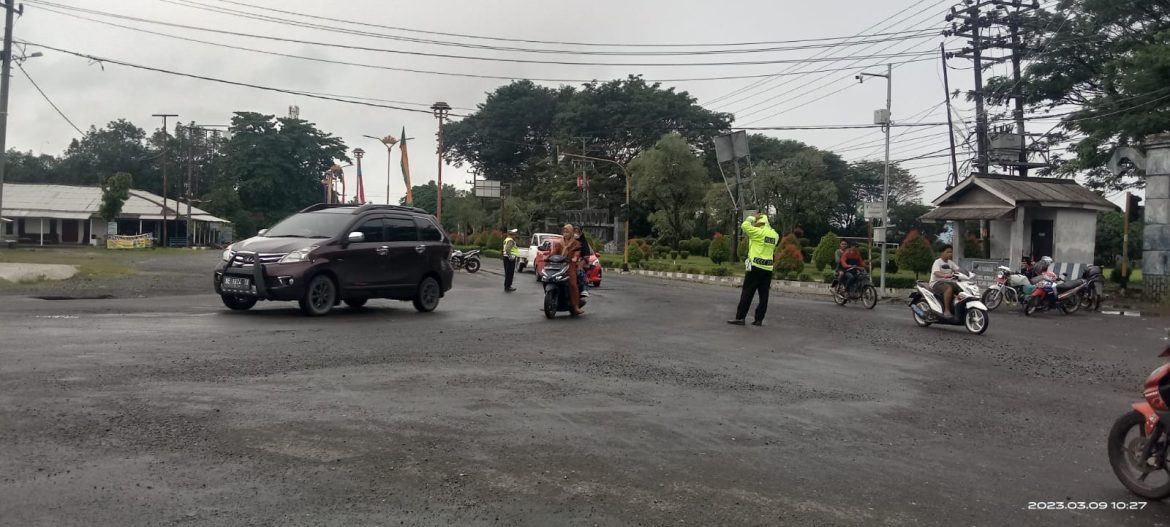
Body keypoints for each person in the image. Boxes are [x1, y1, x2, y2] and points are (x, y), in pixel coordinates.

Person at [729, 213, 779, 326]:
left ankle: (740, 317)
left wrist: (752, 217)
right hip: (768, 268)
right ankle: (759, 319)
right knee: (764, 295)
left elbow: (744, 225)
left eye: (756, 223)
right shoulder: (775, 235)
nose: (755, 225)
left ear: (760, 223)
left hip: (755, 267)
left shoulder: (758, 232)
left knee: (747, 292)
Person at [930, 244, 963, 320]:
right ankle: (947, 310)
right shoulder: (937, 262)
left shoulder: (950, 263)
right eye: (948, 252)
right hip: (936, 282)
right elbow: (936, 273)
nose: (950, 254)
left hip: (948, 282)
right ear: (942, 253)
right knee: (948, 289)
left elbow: (958, 270)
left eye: (951, 252)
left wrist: (967, 273)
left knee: (961, 288)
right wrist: (945, 275)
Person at [559, 223, 584, 316]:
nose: (565, 234)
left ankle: (575, 306)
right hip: (559, 265)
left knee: (573, 284)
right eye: (564, 232)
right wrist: (548, 256)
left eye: (567, 232)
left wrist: (575, 257)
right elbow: (554, 252)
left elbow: (577, 253)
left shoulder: (576, 243)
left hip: (570, 266)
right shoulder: (559, 242)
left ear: (571, 233)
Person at [574, 224, 592, 297]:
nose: (575, 232)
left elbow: (586, 254)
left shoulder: (583, 242)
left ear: (581, 231)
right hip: (569, 260)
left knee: (579, 271)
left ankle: (584, 289)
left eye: (577, 230)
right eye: (574, 230)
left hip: (581, 260)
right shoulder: (569, 240)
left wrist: (581, 262)